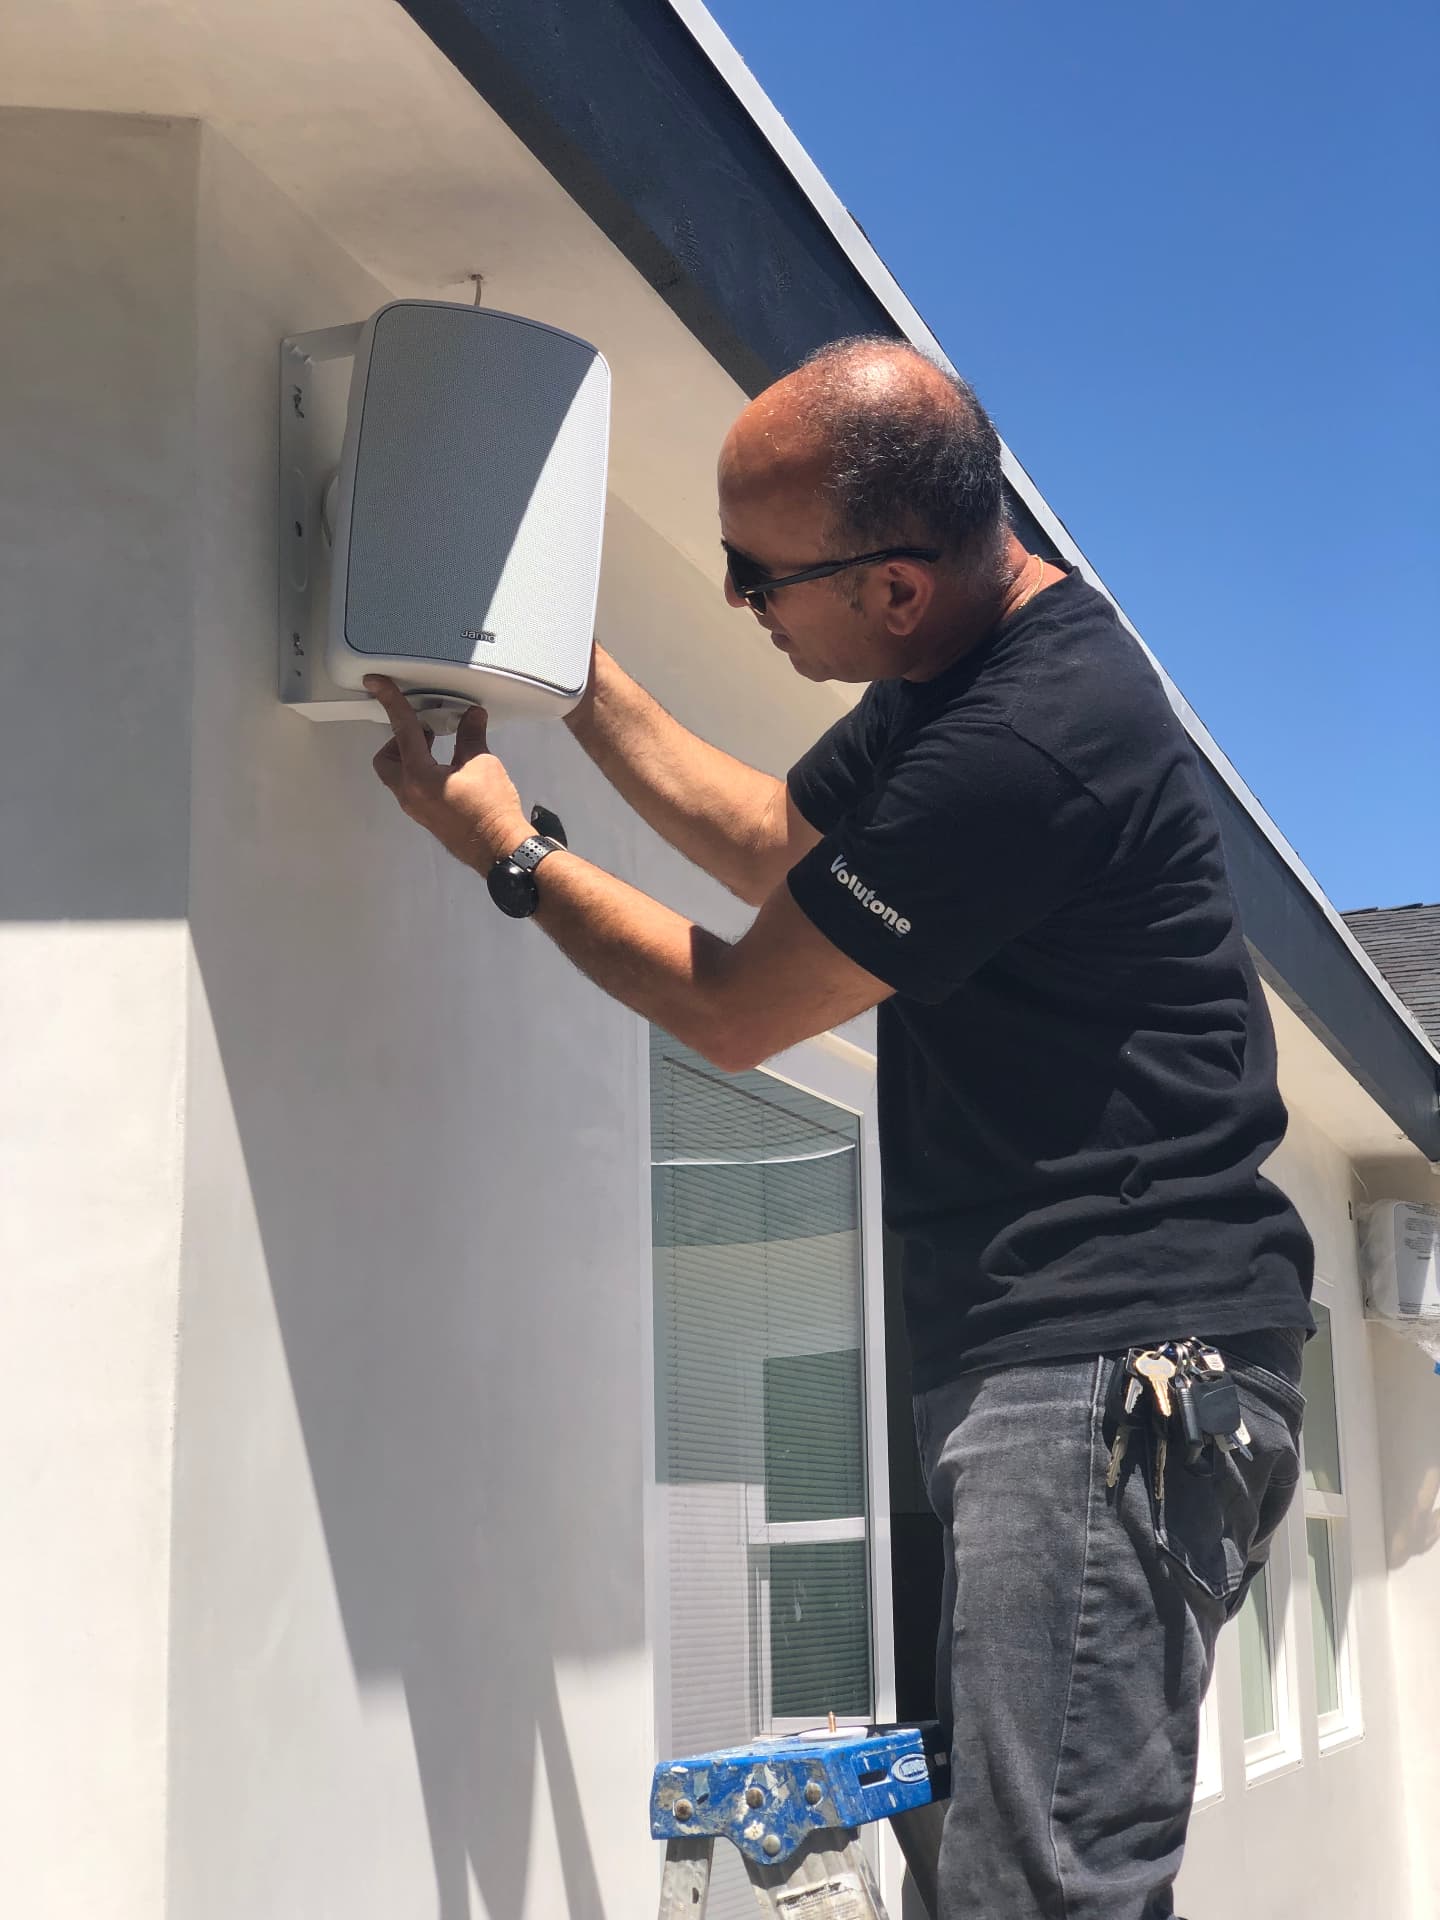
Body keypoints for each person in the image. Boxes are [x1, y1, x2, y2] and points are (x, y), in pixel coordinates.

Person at [365, 337, 1314, 1920]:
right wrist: (561, 663)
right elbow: (765, 844)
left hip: (1111, 1370)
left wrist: (510, 852)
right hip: (1086, 1365)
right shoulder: (960, 662)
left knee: (1042, 1890)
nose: (740, 601)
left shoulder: (1022, 744)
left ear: (893, 586)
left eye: (756, 577)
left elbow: (740, 1007)